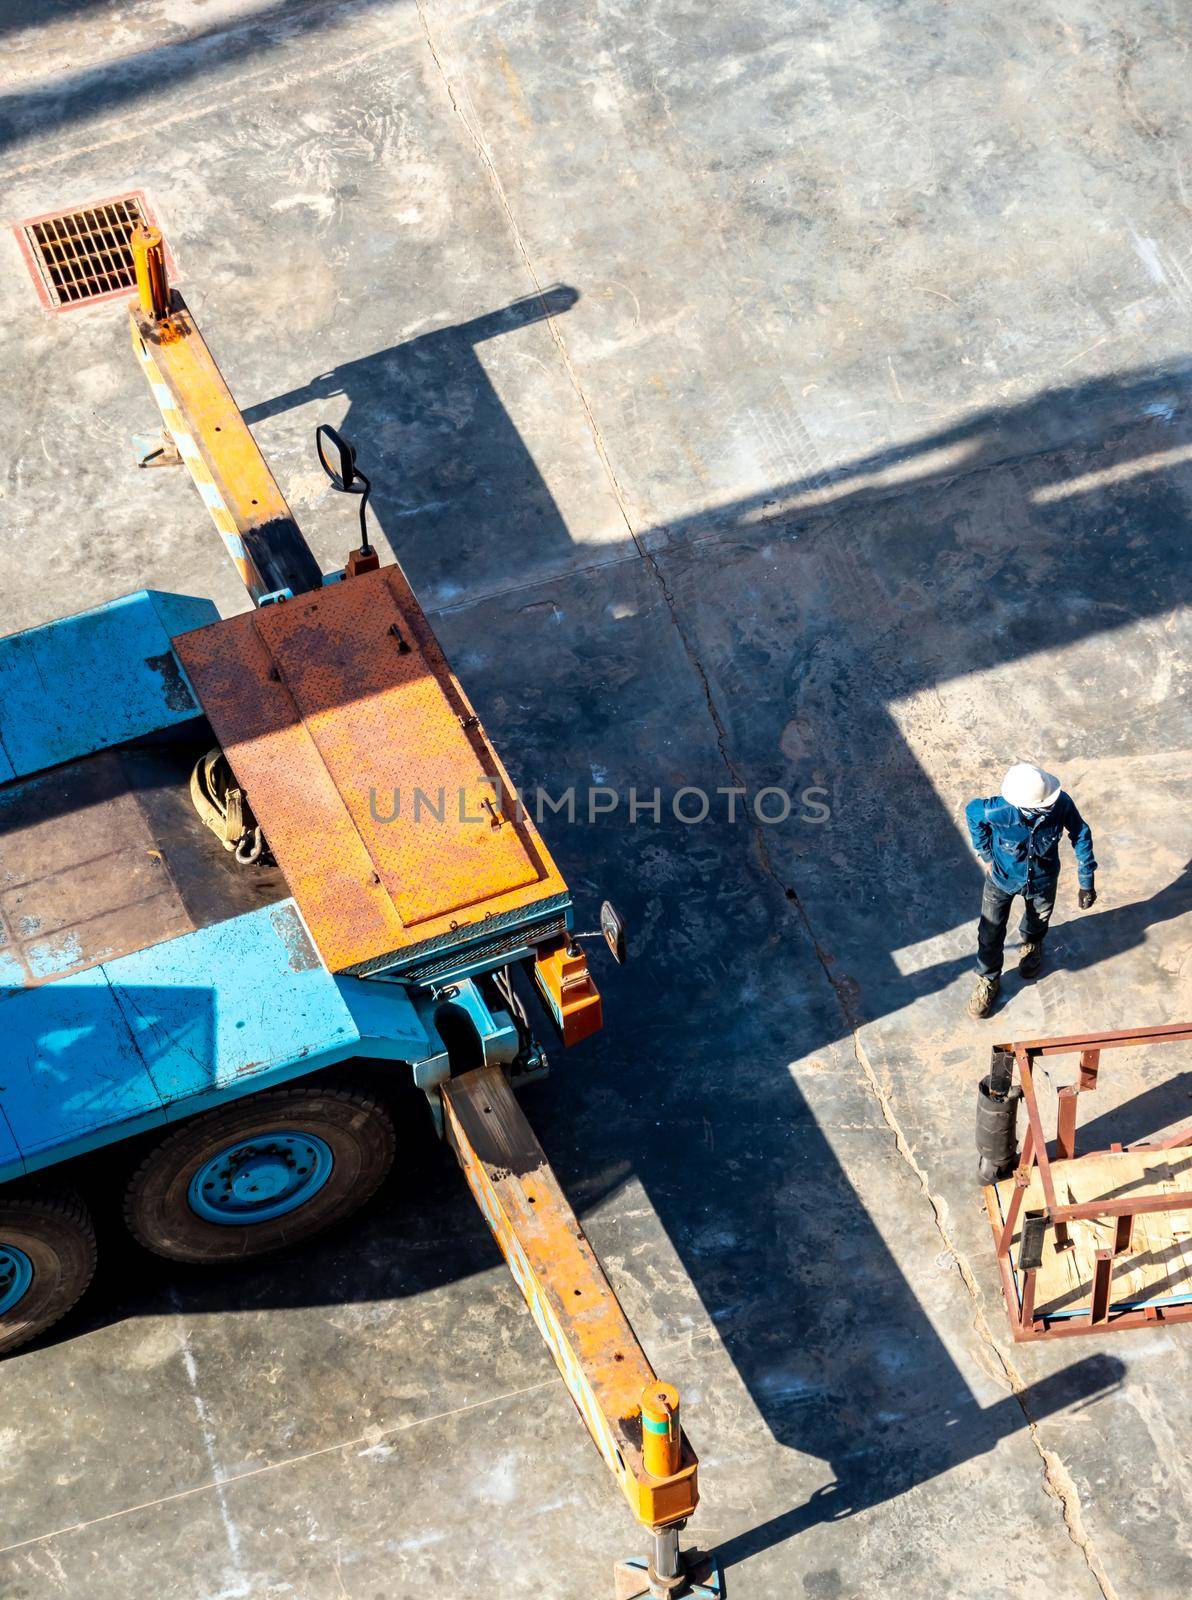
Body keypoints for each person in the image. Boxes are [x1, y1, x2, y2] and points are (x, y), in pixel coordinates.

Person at [965, 763, 1097, 1018]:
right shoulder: (997, 810)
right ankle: (988, 979)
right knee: (990, 932)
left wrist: (1086, 880)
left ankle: (1032, 945)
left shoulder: (1060, 803)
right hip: (1001, 880)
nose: (1051, 806)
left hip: (1043, 880)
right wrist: (985, 854)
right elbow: (972, 813)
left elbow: (1081, 833)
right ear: (1023, 806)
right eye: (1044, 805)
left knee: (1038, 920)